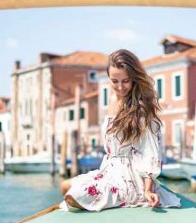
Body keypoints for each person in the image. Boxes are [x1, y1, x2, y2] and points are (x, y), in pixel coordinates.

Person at [60, 49, 180, 211]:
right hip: (109, 170)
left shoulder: (141, 108)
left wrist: (148, 189)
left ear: (134, 79)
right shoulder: (111, 100)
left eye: (126, 81)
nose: (120, 87)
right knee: (65, 186)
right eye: (114, 81)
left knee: (73, 197)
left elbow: (150, 151)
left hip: (130, 177)